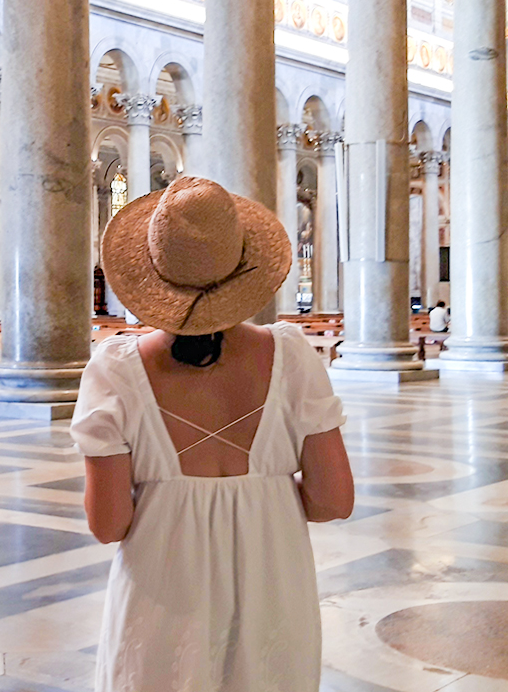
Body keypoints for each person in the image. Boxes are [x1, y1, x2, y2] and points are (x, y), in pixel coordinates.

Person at [72, 176, 354, 692]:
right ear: (242, 267)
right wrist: (261, 496)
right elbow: (334, 501)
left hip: (161, 597)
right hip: (274, 591)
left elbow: (110, 524)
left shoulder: (115, 371)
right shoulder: (292, 357)